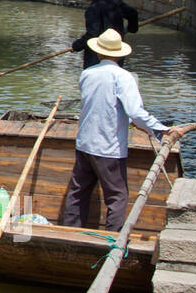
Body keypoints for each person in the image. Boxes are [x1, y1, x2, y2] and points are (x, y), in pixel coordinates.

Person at [63, 29, 187, 231]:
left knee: (78, 193)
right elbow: (135, 113)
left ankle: (69, 232)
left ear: (98, 52)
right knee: (117, 196)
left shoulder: (87, 74)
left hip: (85, 143)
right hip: (108, 146)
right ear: (119, 54)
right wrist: (162, 129)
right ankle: (113, 239)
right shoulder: (123, 77)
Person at [71, 0, 138, 69]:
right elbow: (133, 14)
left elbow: (93, 34)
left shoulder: (93, 8)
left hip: (97, 54)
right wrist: (131, 29)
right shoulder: (116, 1)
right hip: (116, 51)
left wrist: (77, 45)